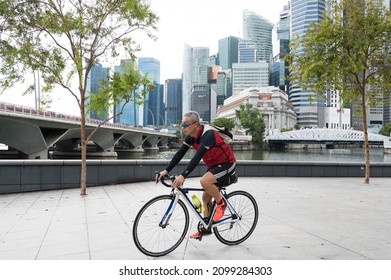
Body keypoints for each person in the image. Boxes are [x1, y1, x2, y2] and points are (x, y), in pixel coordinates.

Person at [157, 111, 237, 239]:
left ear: (195, 124)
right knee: (205, 198)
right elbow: (179, 154)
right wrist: (166, 170)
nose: (183, 127)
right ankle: (207, 227)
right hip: (214, 167)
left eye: (185, 125)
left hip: (227, 164)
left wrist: (183, 176)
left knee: (204, 182)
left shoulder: (208, 134)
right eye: (181, 125)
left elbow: (196, 157)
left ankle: (222, 203)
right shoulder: (191, 137)